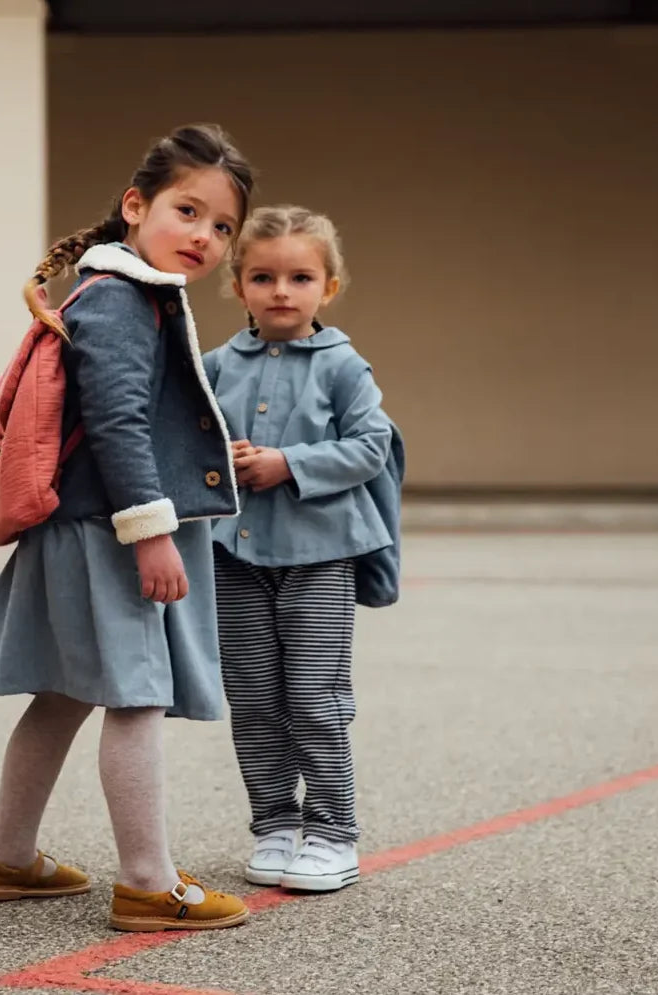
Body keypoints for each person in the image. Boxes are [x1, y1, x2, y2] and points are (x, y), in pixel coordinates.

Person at [0, 124, 255, 931]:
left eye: (222, 226)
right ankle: (149, 882)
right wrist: (150, 532)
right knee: (136, 696)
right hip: (112, 528)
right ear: (135, 206)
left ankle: (7, 859)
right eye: (187, 210)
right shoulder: (123, 297)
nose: (205, 235)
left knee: (60, 694)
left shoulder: (116, 291)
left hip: (84, 525)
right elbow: (119, 425)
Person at [204, 205, 393, 892]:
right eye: (263, 276)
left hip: (318, 557)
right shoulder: (216, 365)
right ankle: (276, 824)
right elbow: (183, 441)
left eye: (300, 276)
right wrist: (220, 455)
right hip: (234, 557)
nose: (282, 290)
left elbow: (373, 446)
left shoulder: (343, 366)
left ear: (329, 286)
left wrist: (290, 463)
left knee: (315, 694)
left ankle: (334, 831)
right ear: (239, 286)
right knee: (253, 696)